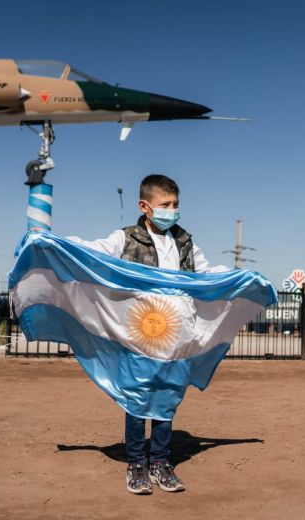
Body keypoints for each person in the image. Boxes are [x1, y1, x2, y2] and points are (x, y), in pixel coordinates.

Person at [68, 174, 228, 495]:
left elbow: (206, 273)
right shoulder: (126, 238)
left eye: (176, 204)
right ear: (145, 206)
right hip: (140, 332)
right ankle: (137, 464)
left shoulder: (185, 242)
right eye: (165, 205)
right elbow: (93, 251)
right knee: (139, 398)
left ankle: (161, 462)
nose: (173, 210)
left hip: (177, 333)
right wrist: (57, 243)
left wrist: (237, 276)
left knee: (166, 399)